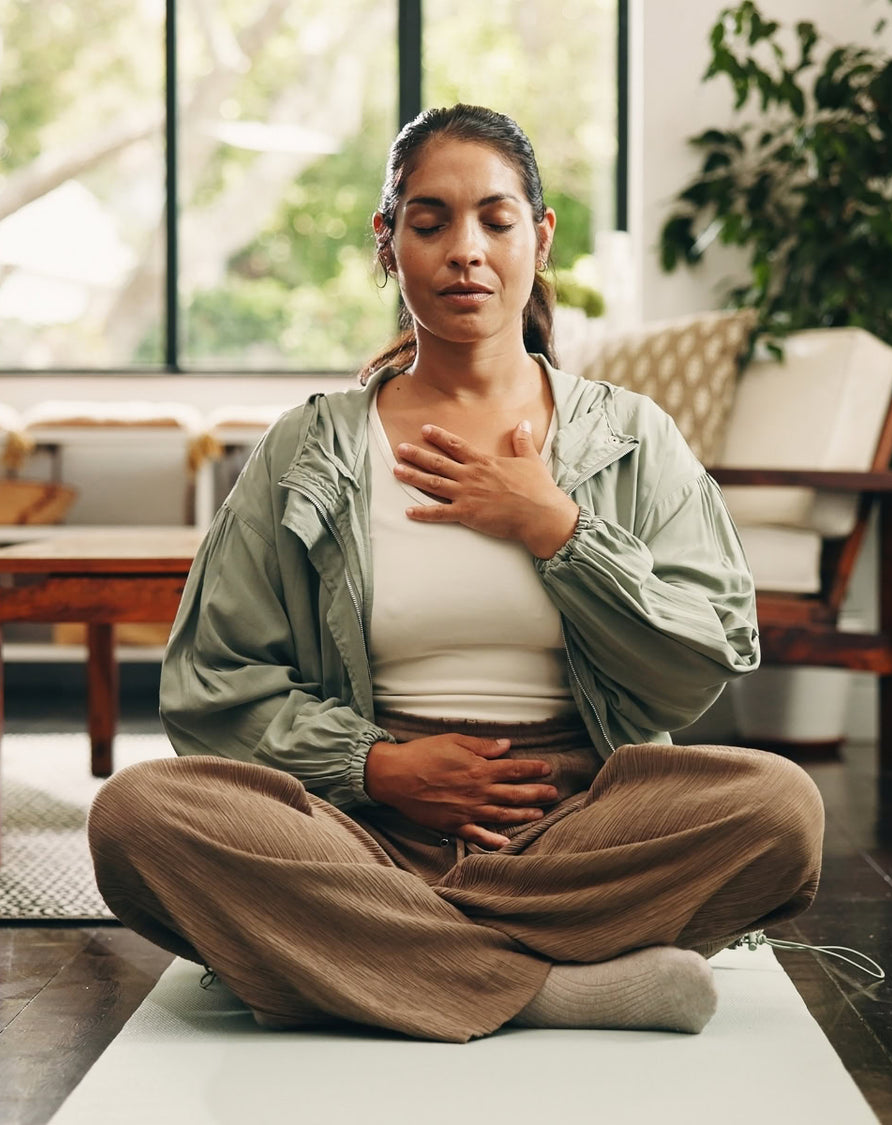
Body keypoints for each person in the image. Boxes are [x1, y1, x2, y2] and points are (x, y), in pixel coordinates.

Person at [87, 104, 824, 1044]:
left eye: (495, 219)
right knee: (138, 817)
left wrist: (558, 529)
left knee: (780, 811)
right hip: (362, 826)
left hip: (582, 821)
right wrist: (378, 764)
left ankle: (361, 958)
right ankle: (556, 986)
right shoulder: (309, 449)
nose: (464, 251)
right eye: (429, 223)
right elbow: (210, 687)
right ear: (388, 244)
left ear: (541, 236)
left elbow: (701, 656)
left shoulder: (634, 436)